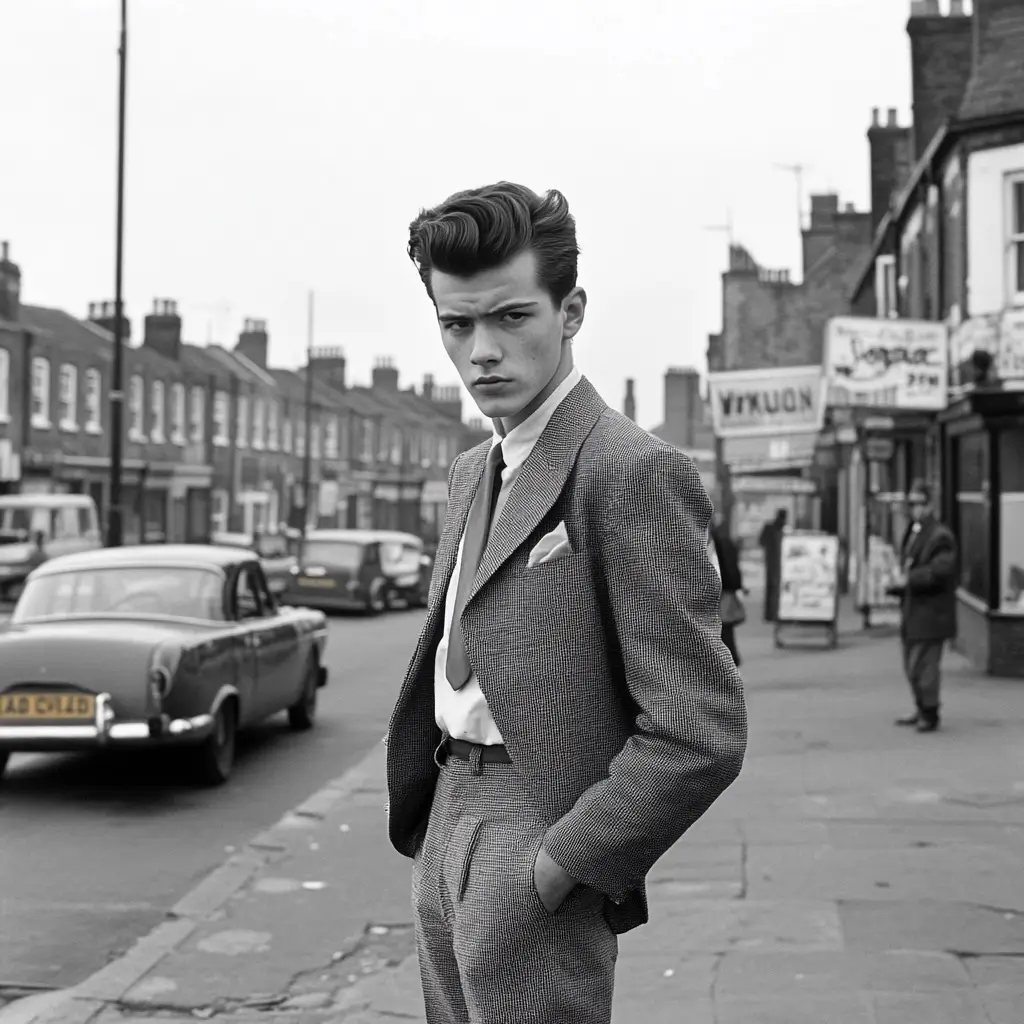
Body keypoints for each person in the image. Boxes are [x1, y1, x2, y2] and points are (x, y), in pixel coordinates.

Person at [385, 181, 747, 1024]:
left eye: (512, 318)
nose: (481, 351)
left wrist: (563, 861)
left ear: (571, 310)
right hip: (445, 811)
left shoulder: (630, 469)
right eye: (457, 324)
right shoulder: (472, 470)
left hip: (537, 823)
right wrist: (437, 831)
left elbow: (701, 729)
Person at [886, 479, 957, 733]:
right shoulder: (915, 531)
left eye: (919, 503)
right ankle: (920, 707)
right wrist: (897, 585)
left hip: (931, 613)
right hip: (914, 609)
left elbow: (940, 571)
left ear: (929, 505)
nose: (914, 508)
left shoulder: (940, 535)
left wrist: (909, 580)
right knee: (911, 665)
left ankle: (930, 712)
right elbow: (910, 565)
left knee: (923, 666)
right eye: (912, 503)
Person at [711, 509, 744, 667]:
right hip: (723, 592)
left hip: (713, 594)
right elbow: (732, 569)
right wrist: (736, 587)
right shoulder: (724, 541)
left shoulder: (695, 543)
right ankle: (730, 659)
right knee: (725, 629)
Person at [758, 508, 787, 622]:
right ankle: (775, 612)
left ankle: (769, 614)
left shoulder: (769, 527)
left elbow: (761, 541)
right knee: (777, 587)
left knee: (770, 587)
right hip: (778, 561)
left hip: (771, 560)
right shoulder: (782, 529)